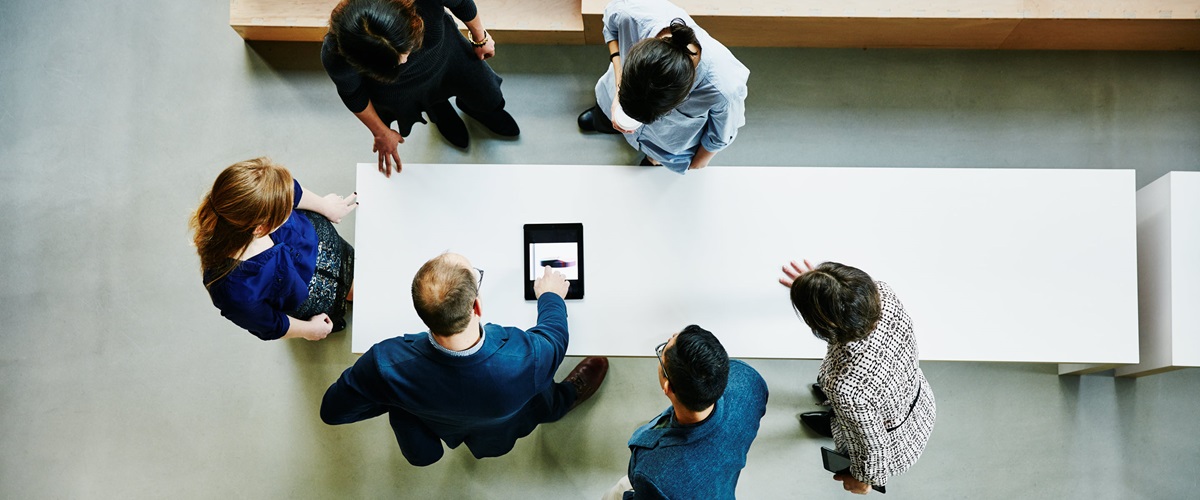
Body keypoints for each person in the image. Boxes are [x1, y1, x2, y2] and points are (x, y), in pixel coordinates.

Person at [320, 253, 609, 466]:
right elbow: (555, 336)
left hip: (443, 425)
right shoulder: (526, 355)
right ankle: (564, 399)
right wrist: (550, 296)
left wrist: (396, 399)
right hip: (506, 423)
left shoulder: (385, 364)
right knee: (544, 393)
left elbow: (333, 411)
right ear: (478, 305)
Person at [779, 260, 936, 494]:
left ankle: (839, 421)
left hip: (896, 440)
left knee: (849, 411)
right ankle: (839, 417)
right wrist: (822, 290)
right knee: (847, 403)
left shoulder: (845, 387)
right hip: (912, 398)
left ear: (825, 324)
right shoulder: (883, 293)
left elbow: (872, 445)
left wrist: (865, 480)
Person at [323, 0, 520, 177]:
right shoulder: (336, 52)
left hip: (448, 58)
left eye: (406, 50)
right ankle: (440, 111)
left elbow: (461, 3)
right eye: (395, 63)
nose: (406, 60)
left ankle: (475, 109)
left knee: (490, 98)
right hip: (398, 89)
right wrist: (380, 132)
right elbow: (353, 93)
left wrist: (480, 38)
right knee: (433, 104)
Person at [190, 158, 358, 341]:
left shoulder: (260, 191)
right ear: (260, 229)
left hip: (320, 244)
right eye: (286, 210)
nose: (291, 204)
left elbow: (291, 190)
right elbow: (270, 323)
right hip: (311, 295)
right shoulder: (231, 289)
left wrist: (326, 207)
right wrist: (309, 330)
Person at [577, 0, 749, 173]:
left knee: (656, 157)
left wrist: (696, 163)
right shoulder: (629, 12)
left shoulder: (724, 90)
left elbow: (720, 136)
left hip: (665, 144)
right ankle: (605, 118)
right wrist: (618, 86)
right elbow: (610, 25)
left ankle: (653, 158)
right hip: (611, 98)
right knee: (604, 116)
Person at [602, 325, 767, 500]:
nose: (670, 338)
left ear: (668, 387)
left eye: (662, 351)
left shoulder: (655, 473)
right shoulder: (749, 382)